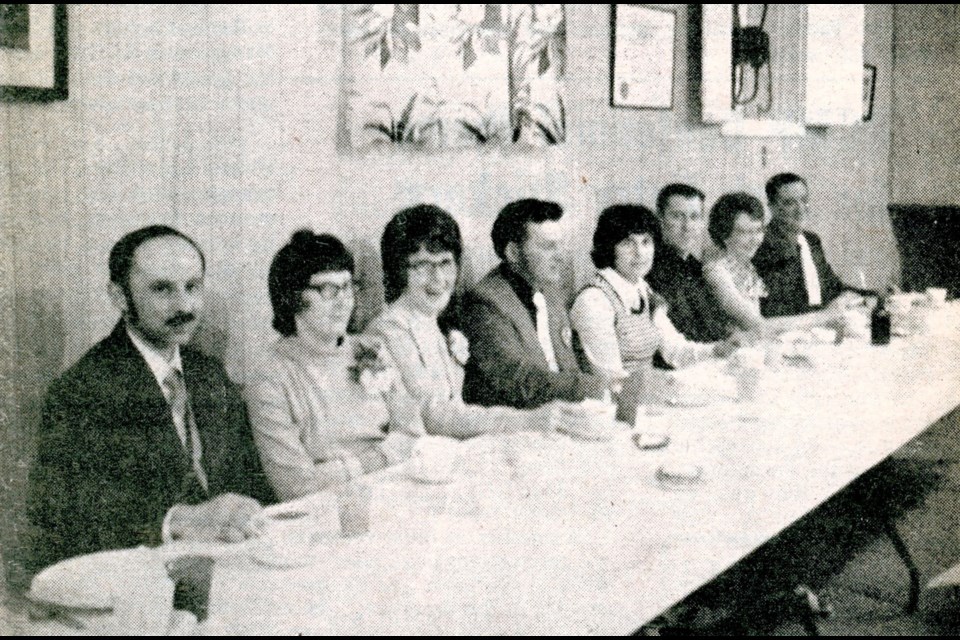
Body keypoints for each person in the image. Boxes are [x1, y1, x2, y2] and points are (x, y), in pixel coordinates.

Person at [27, 226, 271, 576]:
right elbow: (64, 518)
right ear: (119, 296)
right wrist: (178, 520)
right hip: (142, 583)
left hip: (231, 566)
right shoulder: (80, 391)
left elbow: (248, 477)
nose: (185, 306)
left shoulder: (209, 373)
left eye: (192, 287)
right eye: (162, 289)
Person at [366, 204, 604, 440]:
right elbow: (431, 415)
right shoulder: (389, 331)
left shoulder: (430, 321)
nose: (438, 278)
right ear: (399, 270)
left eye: (445, 263)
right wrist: (526, 421)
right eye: (422, 266)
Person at [245, 230, 424, 502]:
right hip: (326, 511)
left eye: (348, 286)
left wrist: (342, 468)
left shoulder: (371, 349)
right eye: (328, 290)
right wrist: (382, 455)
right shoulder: (271, 376)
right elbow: (295, 486)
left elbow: (413, 434)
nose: (344, 302)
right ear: (292, 296)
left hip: (395, 493)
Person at [460, 199, 608, 409]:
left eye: (560, 245)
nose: (560, 256)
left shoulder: (551, 289)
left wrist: (600, 382)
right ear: (512, 253)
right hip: (519, 425)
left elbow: (575, 352)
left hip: (569, 412)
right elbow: (520, 380)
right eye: (548, 247)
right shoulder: (485, 302)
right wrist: (592, 388)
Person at [570, 205, 736, 381]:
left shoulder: (642, 289)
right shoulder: (595, 301)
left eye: (646, 242)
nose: (640, 252)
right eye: (628, 243)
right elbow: (609, 378)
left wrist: (717, 349)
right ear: (609, 247)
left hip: (642, 395)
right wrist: (667, 382)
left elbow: (674, 350)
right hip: (611, 402)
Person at [703, 193, 847, 336]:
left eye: (758, 230)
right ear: (724, 234)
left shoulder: (748, 268)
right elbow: (759, 326)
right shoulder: (716, 272)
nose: (755, 239)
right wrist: (824, 317)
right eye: (745, 232)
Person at [753, 173, 861, 317]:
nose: (800, 209)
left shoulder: (811, 240)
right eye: (789, 203)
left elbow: (833, 287)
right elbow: (774, 309)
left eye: (804, 200)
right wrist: (829, 313)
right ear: (772, 208)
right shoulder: (762, 244)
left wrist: (875, 294)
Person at [647, 183, 732, 342]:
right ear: (660, 219)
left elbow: (717, 324)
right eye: (677, 216)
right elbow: (685, 334)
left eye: (694, 217)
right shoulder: (651, 269)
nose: (687, 226)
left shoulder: (695, 266)